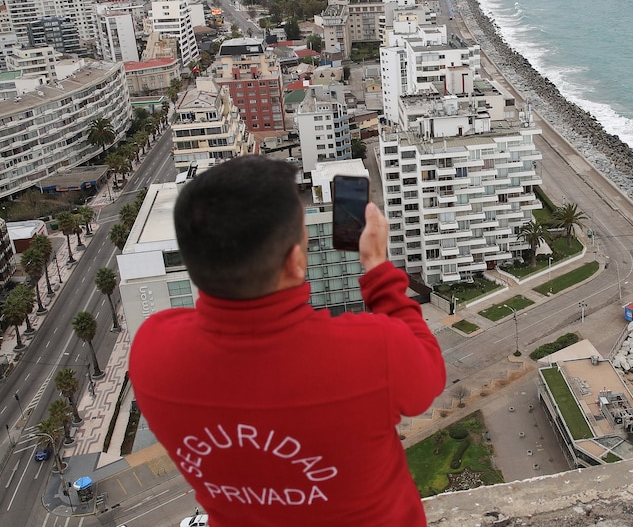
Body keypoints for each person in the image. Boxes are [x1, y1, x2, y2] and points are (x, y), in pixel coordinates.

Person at [129, 156, 446, 526]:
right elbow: (428, 375)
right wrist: (377, 268)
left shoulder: (152, 351)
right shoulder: (370, 351)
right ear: (296, 262)